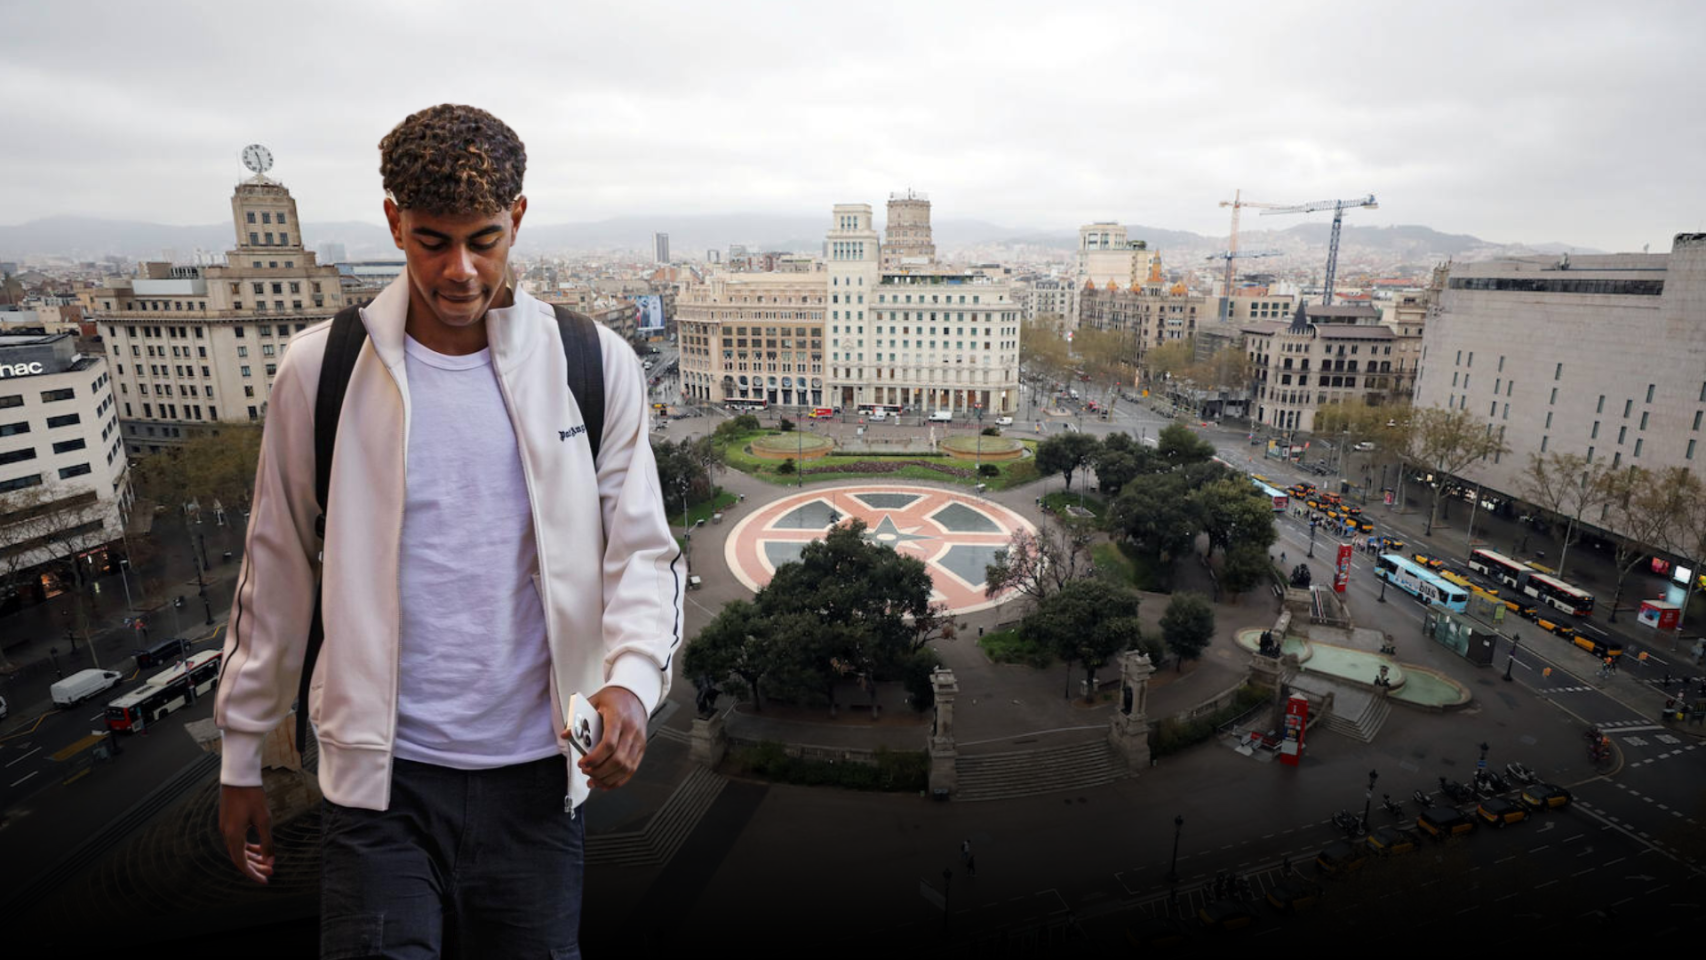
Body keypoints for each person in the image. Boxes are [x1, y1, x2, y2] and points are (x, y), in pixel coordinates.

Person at [213, 104, 683, 957]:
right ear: (394, 222)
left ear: (520, 221)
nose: (461, 270)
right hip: (378, 785)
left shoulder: (592, 364)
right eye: (433, 241)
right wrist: (241, 751)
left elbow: (643, 554)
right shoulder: (319, 372)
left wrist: (633, 684)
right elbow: (275, 564)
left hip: (541, 778)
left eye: (486, 240)